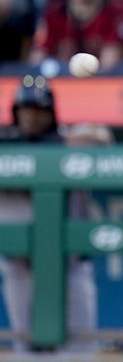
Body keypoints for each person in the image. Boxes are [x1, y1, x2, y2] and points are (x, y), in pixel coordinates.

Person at [0, 76, 102, 353]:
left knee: (78, 349)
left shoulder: (68, 143)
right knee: (27, 347)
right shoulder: (6, 145)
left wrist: (60, 145)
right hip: (20, 265)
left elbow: (102, 139)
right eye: (25, 110)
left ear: (50, 114)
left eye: (38, 110)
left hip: (70, 266)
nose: (31, 117)